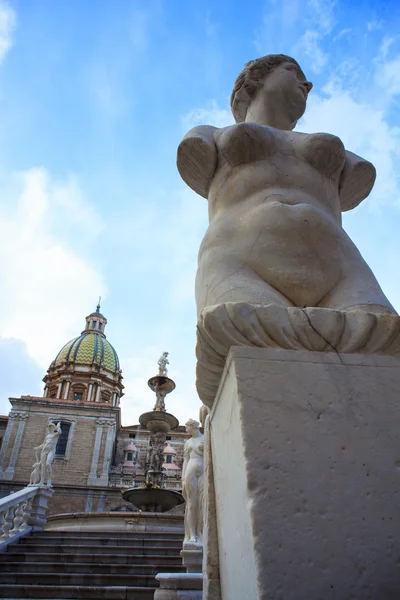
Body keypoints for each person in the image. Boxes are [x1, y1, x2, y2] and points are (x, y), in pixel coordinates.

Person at [177, 54, 396, 318]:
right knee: (247, 329)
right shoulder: (207, 134)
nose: (307, 84)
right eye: (294, 71)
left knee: (380, 334)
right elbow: (192, 153)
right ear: (255, 77)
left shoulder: (339, 153)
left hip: (342, 268)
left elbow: (358, 179)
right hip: (239, 263)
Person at [182, 419, 204, 543]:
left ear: (193, 426)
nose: (186, 430)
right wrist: (183, 477)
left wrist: (205, 448)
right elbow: (185, 459)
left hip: (204, 471)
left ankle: (200, 531)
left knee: (202, 502)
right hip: (190, 471)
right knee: (191, 503)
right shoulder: (188, 442)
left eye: (187, 427)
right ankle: (191, 535)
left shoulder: (206, 437)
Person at [34, 422, 62, 486]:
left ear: (54, 428)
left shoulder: (55, 435)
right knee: (43, 466)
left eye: (52, 427)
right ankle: (41, 481)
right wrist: (38, 448)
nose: (50, 428)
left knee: (48, 463)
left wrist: (58, 427)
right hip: (44, 450)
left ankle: (49, 480)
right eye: (49, 427)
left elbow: (60, 432)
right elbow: (44, 444)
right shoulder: (48, 436)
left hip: (51, 450)